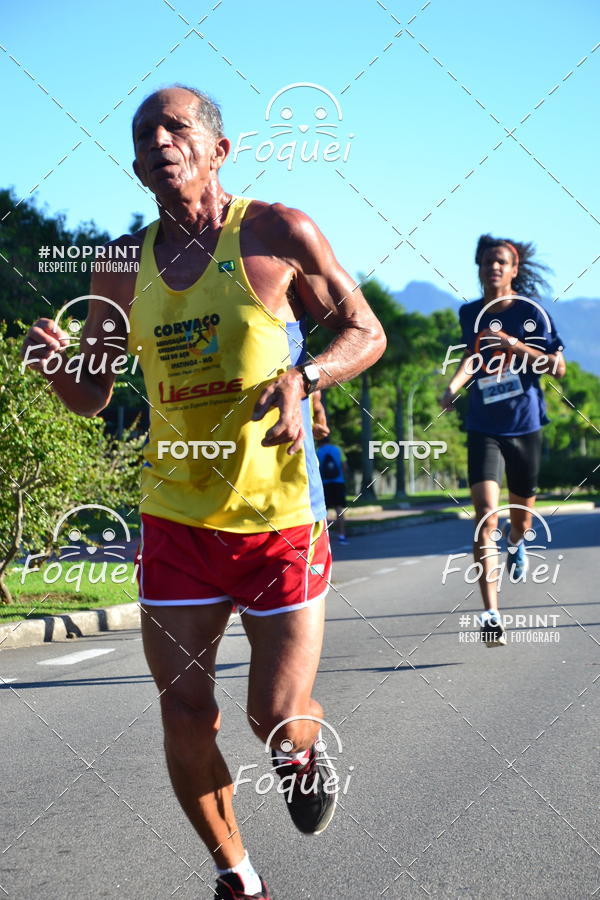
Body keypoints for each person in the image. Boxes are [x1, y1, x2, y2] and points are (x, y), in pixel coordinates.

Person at [21, 85, 386, 899]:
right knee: (185, 712)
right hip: (177, 518)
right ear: (136, 166)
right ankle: (238, 878)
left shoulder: (279, 233)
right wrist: (56, 371)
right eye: (144, 133)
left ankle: (300, 752)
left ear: (219, 150)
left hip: (279, 517)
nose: (159, 140)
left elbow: (366, 331)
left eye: (176, 127)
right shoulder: (119, 264)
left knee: (273, 718)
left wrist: (306, 376)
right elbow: (93, 392)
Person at [441, 234, 565, 647]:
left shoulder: (532, 313)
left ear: (514, 269)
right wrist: (453, 386)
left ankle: (516, 542)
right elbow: (471, 356)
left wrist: (515, 345)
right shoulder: (470, 313)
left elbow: (557, 366)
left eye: (501, 262)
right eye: (487, 261)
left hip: (525, 424)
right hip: (483, 426)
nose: (493, 267)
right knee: (485, 516)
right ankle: (491, 614)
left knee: (521, 520)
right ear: (479, 268)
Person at [317, 433, 349, 544]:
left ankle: (324, 538)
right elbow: (344, 466)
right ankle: (342, 535)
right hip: (338, 482)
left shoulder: (318, 451)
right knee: (339, 510)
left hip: (324, 484)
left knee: (322, 512)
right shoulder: (337, 449)